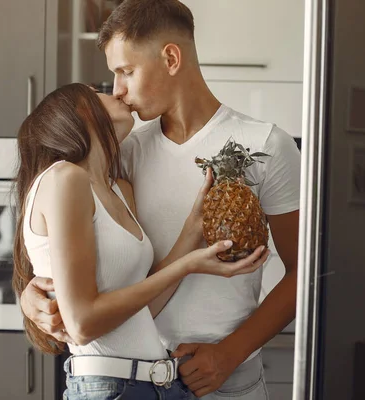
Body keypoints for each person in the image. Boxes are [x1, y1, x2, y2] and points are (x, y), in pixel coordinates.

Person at [21, 0, 301, 398]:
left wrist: (229, 354)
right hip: (137, 379)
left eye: (126, 71)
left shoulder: (268, 145)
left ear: (171, 58)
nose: (118, 90)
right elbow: (67, 240)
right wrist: (30, 294)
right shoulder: (125, 153)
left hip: (229, 381)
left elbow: (304, 274)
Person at [12, 83, 270, 399]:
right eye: (101, 92)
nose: (118, 92)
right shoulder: (64, 177)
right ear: (80, 111)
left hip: (157, 384)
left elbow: (141, 308)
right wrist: (187, 265)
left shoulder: (120, 190)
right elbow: (81, 324)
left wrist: (193, 229)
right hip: (110, 385)